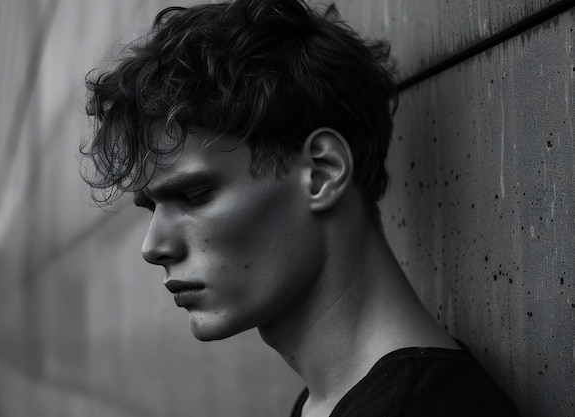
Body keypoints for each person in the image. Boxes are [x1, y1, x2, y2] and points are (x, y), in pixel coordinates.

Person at [82, 0, 520, 416]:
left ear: (323, 172)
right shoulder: (330, 403)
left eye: (194, 196)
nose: (153, 246)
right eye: (150, 207)